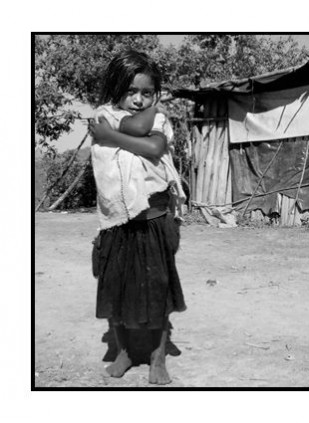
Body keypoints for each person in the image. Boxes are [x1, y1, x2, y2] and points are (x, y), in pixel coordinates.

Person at [88, 50, 186, 385]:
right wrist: (121, 137)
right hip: (116, 221)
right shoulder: (102, 116)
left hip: (155, 219)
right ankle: (124, 351)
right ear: (117, 88)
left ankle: (158, 359)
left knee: (157, 292)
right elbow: (135, 135)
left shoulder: (156, 119)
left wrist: (111, 138)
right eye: (132, 91)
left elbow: (155, 149)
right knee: (115, 293)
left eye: (147, 93)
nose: (140, 99)